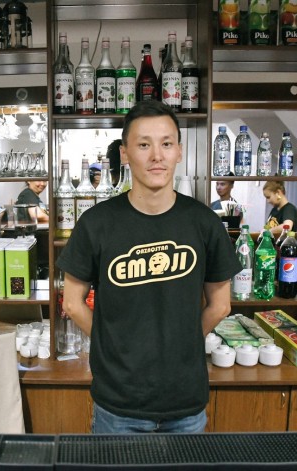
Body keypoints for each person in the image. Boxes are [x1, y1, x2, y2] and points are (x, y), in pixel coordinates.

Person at [56, 101, 242, 434]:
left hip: (186, 402)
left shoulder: (204, 223)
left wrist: (182, 341)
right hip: (118, 405)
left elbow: (221, 305)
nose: (157, 155)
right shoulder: (96, 223)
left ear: (179, 151)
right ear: (125, 154)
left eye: (166, 143)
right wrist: (113, 344)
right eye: (144, 145)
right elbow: (71, 303)